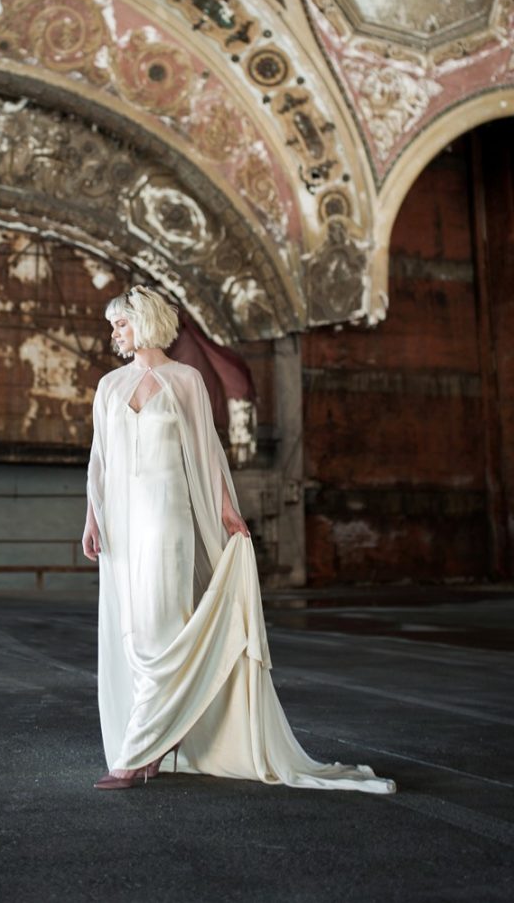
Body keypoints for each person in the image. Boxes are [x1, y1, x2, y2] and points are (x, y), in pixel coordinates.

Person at [83, 285, 395, 794]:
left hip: (168, 517)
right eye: (113, 325)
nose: (113, 332)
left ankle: (136, 753)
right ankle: (157, 743)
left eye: (120, 322)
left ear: (145, 322)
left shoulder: (185, 381)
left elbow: (208, 454)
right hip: (122, 521)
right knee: (133, 631)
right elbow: (98, 459)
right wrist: (92, 518)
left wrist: (228, 511)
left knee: (162, 627)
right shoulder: (109, 387)